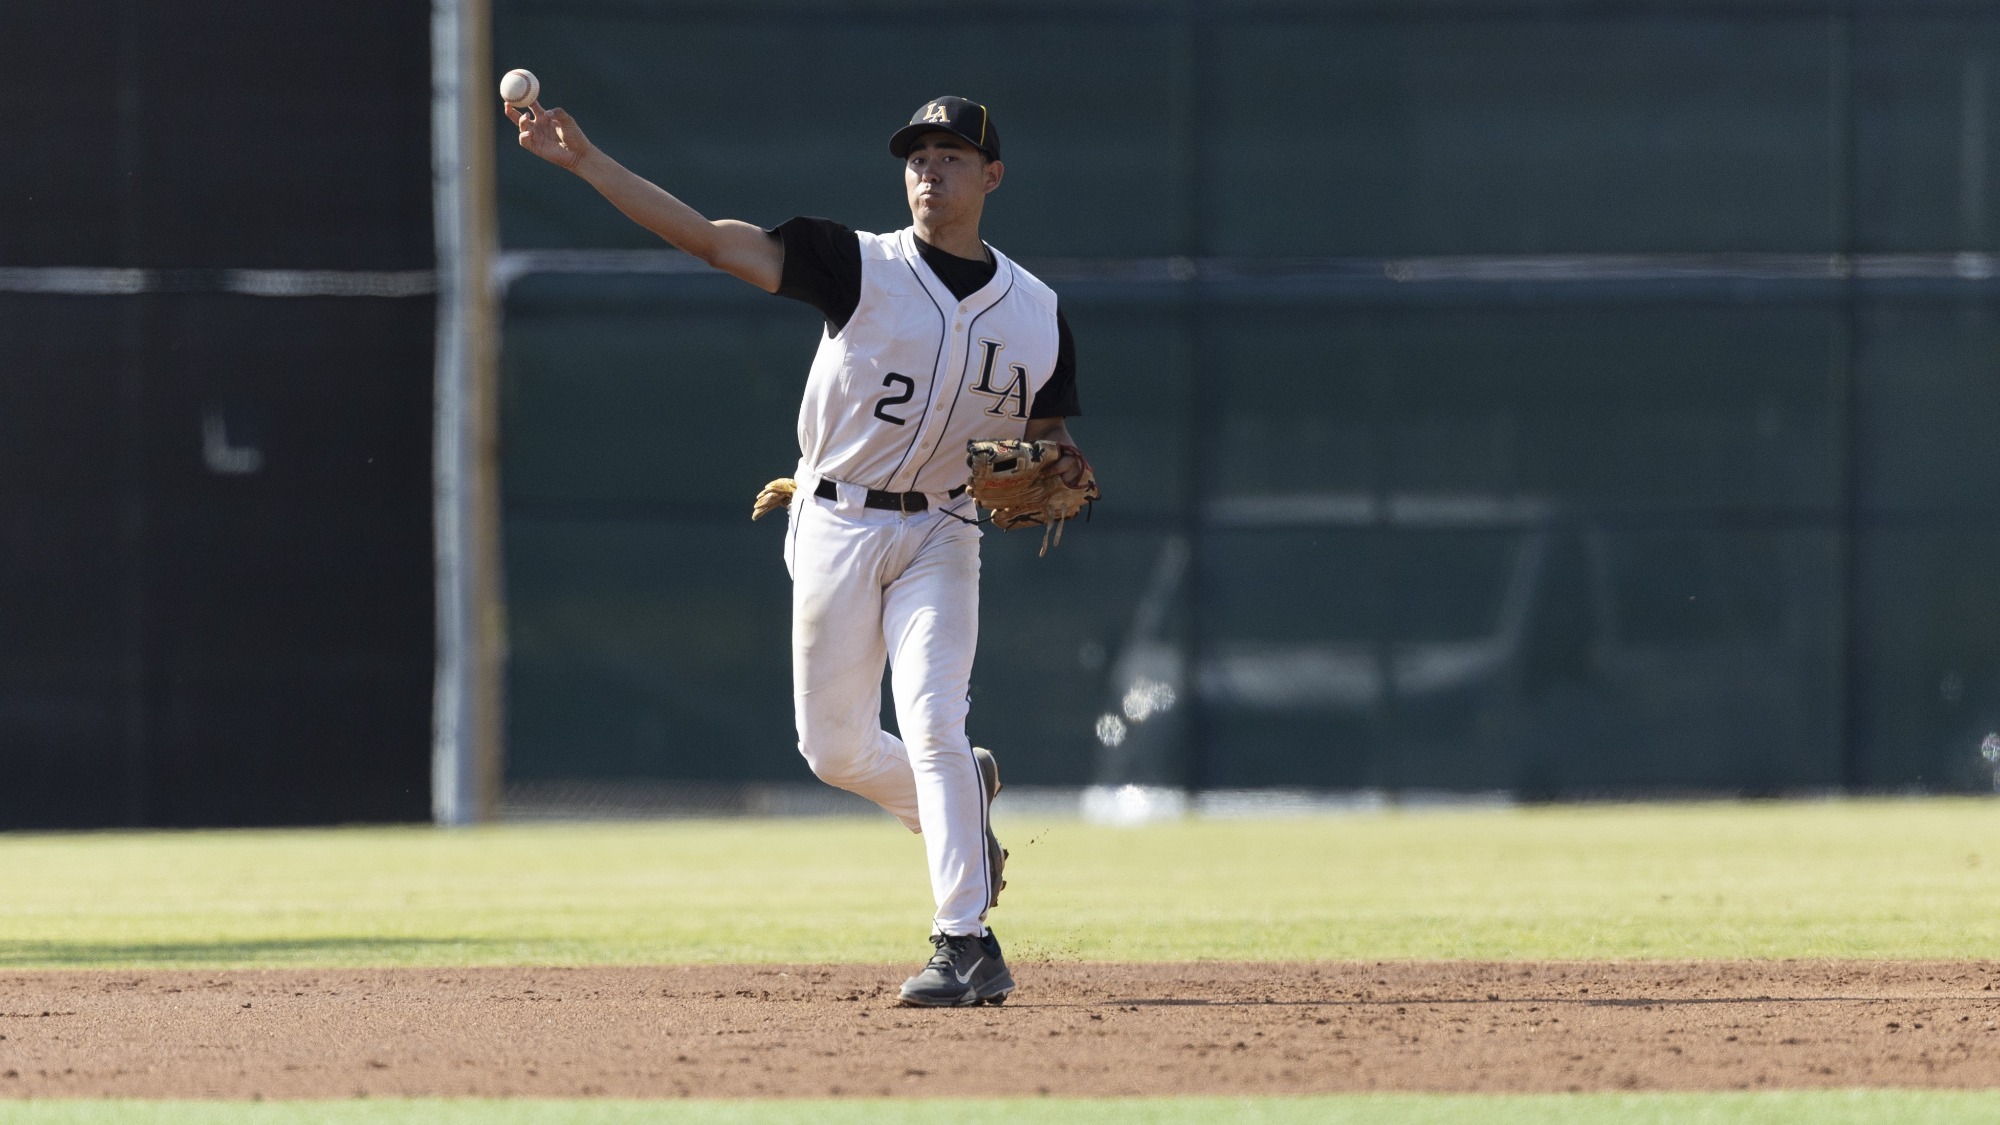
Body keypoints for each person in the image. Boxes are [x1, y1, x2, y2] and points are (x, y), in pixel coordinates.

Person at [508, 93, 1088, 1007]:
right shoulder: (854, 261)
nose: (930, 170)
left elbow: (1048, 432)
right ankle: (962, 797)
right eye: (918, 156)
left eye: (951, 155)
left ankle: (966, 940)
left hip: (944, 527)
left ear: (992, 176)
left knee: (934, 720)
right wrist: (585, 160)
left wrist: (1053, 459)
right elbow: (709, 239)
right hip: (837, 521)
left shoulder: (1040, 312)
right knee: (833, 749)